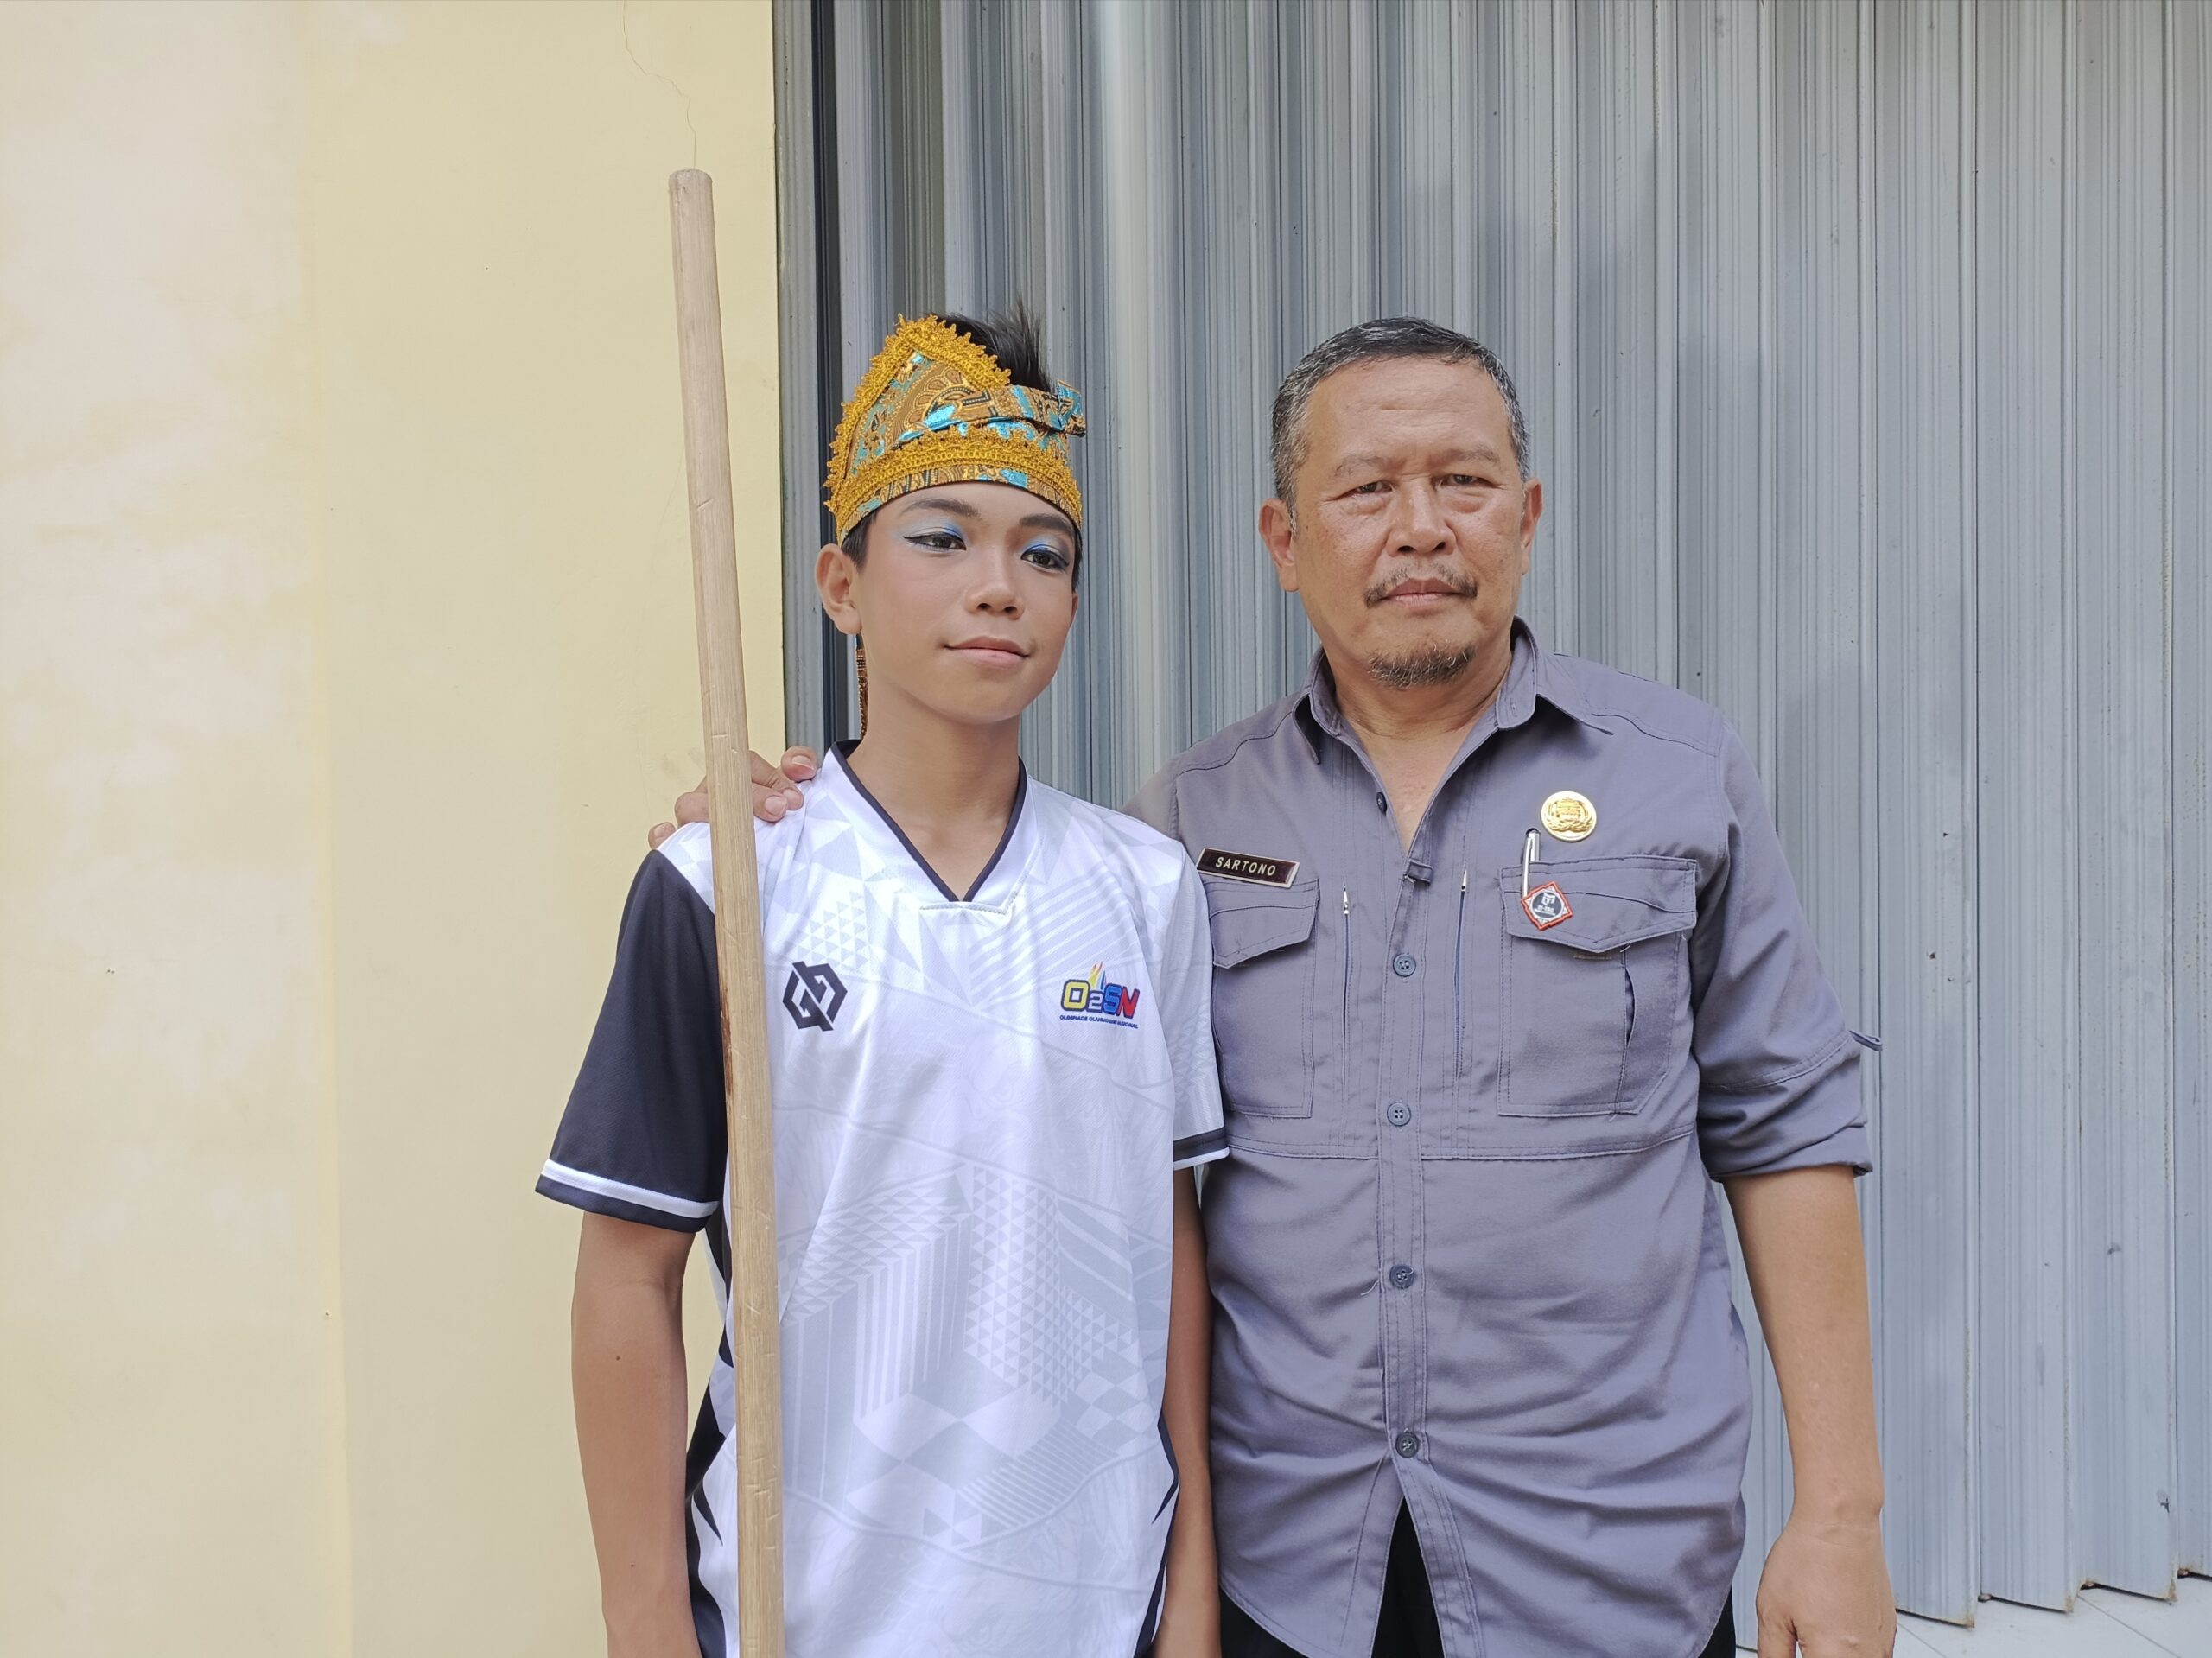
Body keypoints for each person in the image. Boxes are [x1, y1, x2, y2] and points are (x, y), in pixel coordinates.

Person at [702, 317, 1897, 1658]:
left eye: (1464, 482)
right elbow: (1051, 1114)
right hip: (1289, 1568)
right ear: (1284, 541)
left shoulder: (1677, 774)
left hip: (1604, 1559)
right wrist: (800, 835)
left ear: (1527, 516)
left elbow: (1786, 1123)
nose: (1422, 527)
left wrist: (1839, 1514)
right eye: (1367, 488)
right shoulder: (1181, 829)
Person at [546, 309, 1228, 1658]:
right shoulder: (731, 884)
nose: (999, 586)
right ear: (840, 586)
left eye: (1044, 553)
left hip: (1093, 1608)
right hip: (805, 1611)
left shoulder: (1144, 887)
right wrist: (647, 1624)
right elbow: (628, 1269)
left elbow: (1165, 1240)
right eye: (941, 538)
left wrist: (1192, 1585)